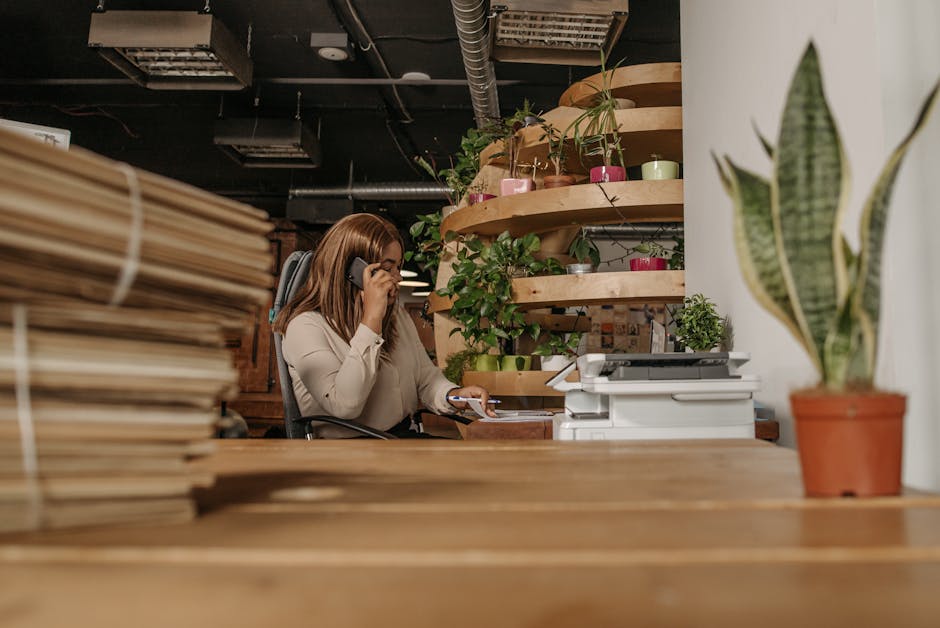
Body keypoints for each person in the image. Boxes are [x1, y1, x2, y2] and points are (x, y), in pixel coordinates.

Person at [272, 213, 495, 438]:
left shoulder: (396, 316)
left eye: (398, 267)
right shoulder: (304, 327)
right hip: (347, 452)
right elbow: (345, 405)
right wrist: (371, 320)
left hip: (399, 440)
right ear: (352, 272)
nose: (397, 277)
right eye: (388, 268)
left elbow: (426, 379)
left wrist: (455, 396)